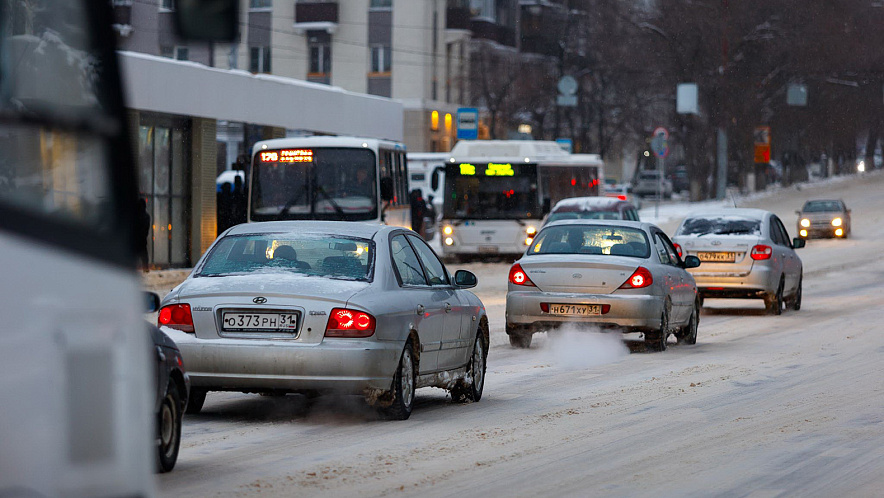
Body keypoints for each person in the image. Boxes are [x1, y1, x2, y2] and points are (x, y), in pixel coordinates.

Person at [135, 198, 150, 272]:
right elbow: (146, 228)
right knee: (144, 255)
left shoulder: (136, 216)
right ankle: (145, 267)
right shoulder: (146, 216)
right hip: (143, 239)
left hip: (136, 239)